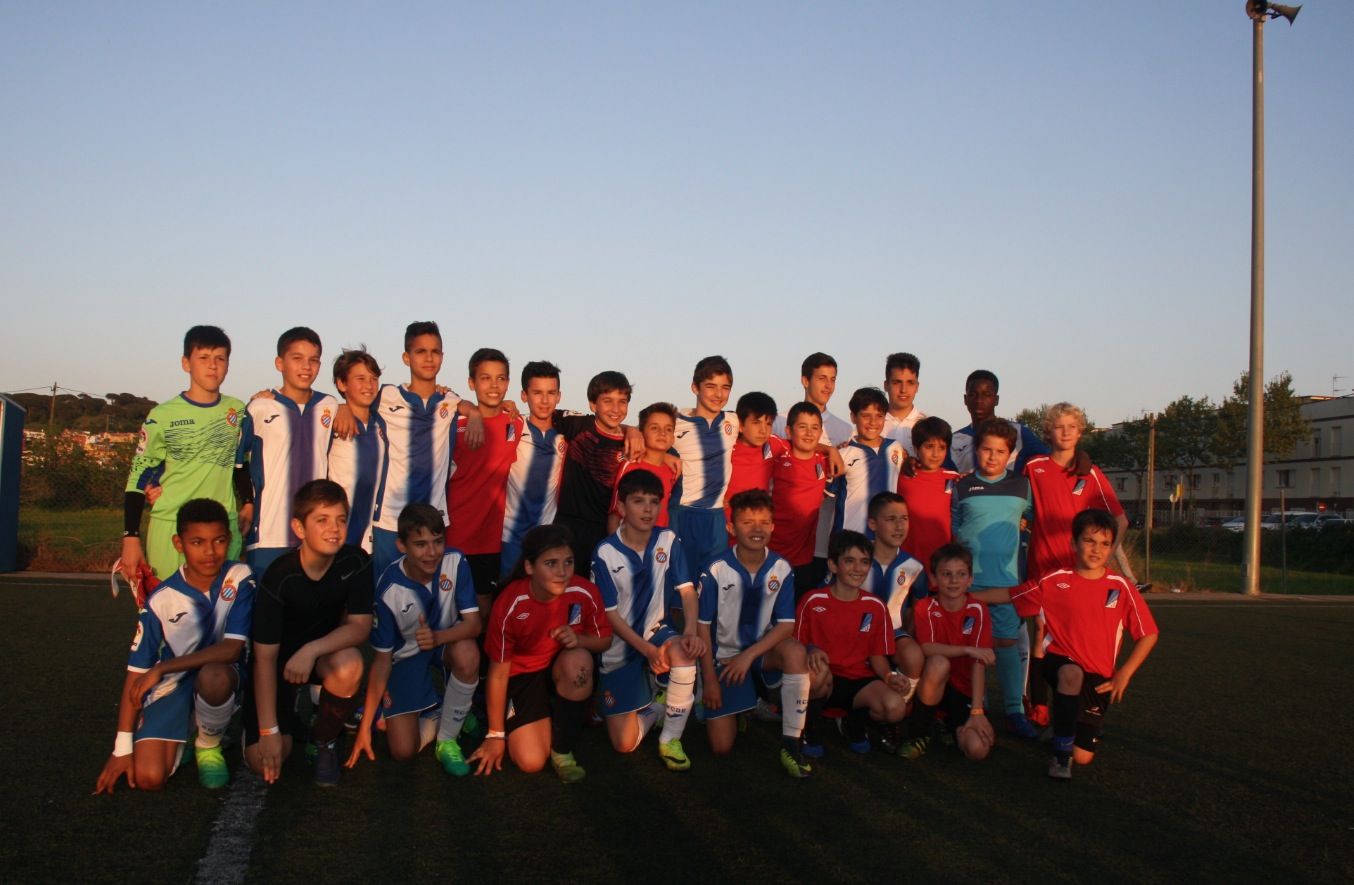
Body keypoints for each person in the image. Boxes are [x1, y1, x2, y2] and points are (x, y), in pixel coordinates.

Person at [95, 499, 254, 793]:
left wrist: (164, 667)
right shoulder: (161, 599)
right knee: (148, 778)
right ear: (178, 544)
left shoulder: (240, 578)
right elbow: (137, 672)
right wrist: (121, 747)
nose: (210, 552)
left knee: (214, 676)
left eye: (219, 541)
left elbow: (231, 649)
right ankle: (190, 727)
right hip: (175, 685)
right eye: (197, 542)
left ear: (229, 540)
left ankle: (208, 744)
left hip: (223, 676)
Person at [1003, 510, 1159, 780]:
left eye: (1104, 544)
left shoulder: (1120, 587)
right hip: (1060, 663)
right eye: (1089, 541)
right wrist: (968, 593)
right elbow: (1010, 595)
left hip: (1099, 676)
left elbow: (1149, 634)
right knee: (1070, 674)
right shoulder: (1055, 579)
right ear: (1074, 544)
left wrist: (1124, 673)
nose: (1097, 549)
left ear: (1111, 548)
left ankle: (1068, 726)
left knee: (1084, 757)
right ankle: (1060, 758)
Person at [244, 479, 373, 787]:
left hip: (317, 659)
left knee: (350, 663)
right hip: (277, 667)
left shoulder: (355, 561)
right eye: (322, 520)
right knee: (265, 761)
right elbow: (264, 659)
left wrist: (311, 650)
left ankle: (324, 739)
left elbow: (360, 627)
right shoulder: (279, 577)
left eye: (341, 519)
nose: (334, 529)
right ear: (299, 528)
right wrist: (268, 733)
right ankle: (285, 722)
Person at [346, 504, 482, 775]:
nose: (432, 553)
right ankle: (444, 708)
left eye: (438, 542)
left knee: (468, 654)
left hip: (443, 643)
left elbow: (474, 625)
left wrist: (438, 637)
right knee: (402, 751)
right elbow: (382, 660)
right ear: (401, 545)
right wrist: (365, 729)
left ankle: (447, 740)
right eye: (420, 544)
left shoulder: (456, 561)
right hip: (406, 657)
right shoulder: (388, 589)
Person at [470, 524, 611, 782]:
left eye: (568, 562)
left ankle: (562, 750)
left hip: (560, 668)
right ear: (529, 567)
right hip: (522, 677)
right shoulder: (510, 604)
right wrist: (495, 734)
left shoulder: (583, 591)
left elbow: (604, 641)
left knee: (579, 661)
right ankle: (539, 711)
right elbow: (498, 675)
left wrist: (578, 639)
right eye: (551, 563)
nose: (562, 572)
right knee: (531, 761)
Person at [1023, 402, 1128, 726]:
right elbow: (1017, 505)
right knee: (1041, 630)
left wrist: (1104, 555)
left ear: (1080, 432)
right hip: (1043, 565)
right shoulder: (1034, 467)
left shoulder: (1091, 473)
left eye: (1072, 426)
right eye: (1059, 426)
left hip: (1079, 572)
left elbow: (1120, 520)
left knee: (1071, 634)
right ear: (1048, 432)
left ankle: (1070, 699)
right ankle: (1039, 703)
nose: (1066, 432)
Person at [696, 490, 814, 777]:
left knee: (797, 652)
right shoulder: (715, 569)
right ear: (731, 527)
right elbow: (702, 628)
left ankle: (792, 744)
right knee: (721, 747)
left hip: (759, 654)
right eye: (748, 522)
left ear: (773, 526)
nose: (757, 529)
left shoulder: (782, 568)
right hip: (724, 660)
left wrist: (748, 657)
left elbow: (786, 624)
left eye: (764, 522)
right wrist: (710, 679)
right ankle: (739, 706)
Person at [592, 470, 705, 770]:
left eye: (654, 502)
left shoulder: (667, 539)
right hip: (619, 646)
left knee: (683, 650)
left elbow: (687, 591)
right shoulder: (604, 552)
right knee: (624, 744)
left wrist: (690, 630)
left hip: (657, 632)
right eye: (638, 501)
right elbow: (611, 616)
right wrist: (647, 651)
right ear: (621, 507)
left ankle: (670, 739)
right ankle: (656, 704)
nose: (647, 509)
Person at [354, 321, 484, 578]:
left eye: (435, 352)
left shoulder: (449, 400)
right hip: (391, 520)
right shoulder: (386, 396)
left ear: (443, 357)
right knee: (386, 597)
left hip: (433, 522)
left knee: (428, 600)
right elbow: (356, 401)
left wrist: (476, 413)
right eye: (420, 351)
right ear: (406, 357)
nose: (428, 358)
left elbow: (466, 404)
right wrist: (343, 408)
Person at [121, 325, 250, 580]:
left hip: (222, 528)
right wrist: (131, 538)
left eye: (220, 358)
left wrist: (248, 503)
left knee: (219, 615)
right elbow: (138, 476)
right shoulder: (162, 415)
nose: (213, 366)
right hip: (171, 526)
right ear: (186, 363)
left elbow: (240, 464)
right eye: (203, 357)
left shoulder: (238, 411)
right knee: (170, 614)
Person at [951, 418, 1038, 739]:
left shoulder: (1022, 486)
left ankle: (1015, 710)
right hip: (968, 585)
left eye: (1000, 451)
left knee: (1006, 645)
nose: (992, 457)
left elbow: (1030, 521)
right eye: (986, 449)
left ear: (1010, 453)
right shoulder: (962, 486)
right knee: (970, 646)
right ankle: (975, 706)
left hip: (1007, 585)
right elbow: (954, 529)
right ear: (976, 450)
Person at [797, 530, 909, 757]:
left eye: (864, 562)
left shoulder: (875, 606)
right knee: (816, 675)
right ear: (833, 565)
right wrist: (811, 649)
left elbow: (877, 654)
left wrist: (889, 677)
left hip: (859, 681)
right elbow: (795, 644)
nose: (858, 569)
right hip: (823, 679)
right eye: (849, 561)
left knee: (896, 708)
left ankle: (853, 721)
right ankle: (810, 728)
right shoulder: (812, 600)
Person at [239, 327, 338, 573]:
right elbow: (235, 462)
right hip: (270, 532)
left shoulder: (330, 406)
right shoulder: (260, 407)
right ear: (279, 363)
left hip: (315, 534)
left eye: (313, 360)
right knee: (268, 607)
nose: (306, 366)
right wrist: (248, 503)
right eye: (297, 358)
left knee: (312, 608)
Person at [899, 543, 996, 762]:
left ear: (970, 579)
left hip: (964, 688)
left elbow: (979, 663)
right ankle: (918, 733)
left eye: (961, 574)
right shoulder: (925, 607)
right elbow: (927, 647)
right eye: (946, 574)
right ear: (933, 579)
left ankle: (950, 725)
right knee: (939, 662)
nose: (953, 581)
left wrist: (977, 712)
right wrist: (967, 649)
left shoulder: (978, 609)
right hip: (930, 682)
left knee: (978, 750)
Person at [447, 347, 524, 610]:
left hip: (489, 540)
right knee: (448, 607)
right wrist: (471, 412)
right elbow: (437, 393)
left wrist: (630, 430)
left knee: (482, 612)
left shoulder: (515, 423)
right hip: (453, 534)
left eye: (500, 378)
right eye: (485, 378)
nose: (494, 385)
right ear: (471, 383)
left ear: (508, 384)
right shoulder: (454, 424)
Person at [772, 353, 854, 590]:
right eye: (822, 378)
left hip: (820, 536)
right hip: (779, 534)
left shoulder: (844, 429)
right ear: (805, 381)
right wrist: (827, 448)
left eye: (833, 379)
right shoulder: (780, 421)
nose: (828, 385)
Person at [553, 370, 643, 574]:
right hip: (567, 526)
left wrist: (634, 431)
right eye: (607, 401)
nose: (616, 409)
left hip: (606, 529)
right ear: (593, 405)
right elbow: (542, 412)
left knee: (599, 592)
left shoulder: (632, 444)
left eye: (622, 401)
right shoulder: (577, 426)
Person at [670, 355, 740, 579]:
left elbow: (776, 427)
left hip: (716, 517)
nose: (718, 394)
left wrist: (831, 449)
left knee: (713, 585)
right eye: (710, 386)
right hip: (683, 513)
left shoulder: (734, 421)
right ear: (694, 387)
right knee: (679, 584)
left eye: (725, 387)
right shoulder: (673, 423)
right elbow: (644, 439)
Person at [501, 360, 567, 572]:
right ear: (524, 395)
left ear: (559, 395)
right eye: (537, 392)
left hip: (546, 540)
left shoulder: (569, 431)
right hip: (509, 536)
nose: (545, 400)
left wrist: (633, 431)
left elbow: (604, 424)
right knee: (507, 598)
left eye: (551, 393)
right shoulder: (512, 426)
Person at [862, 492, 927, 701]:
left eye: (904, 519)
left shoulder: (914, 567)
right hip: (855, 632)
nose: (899, 526)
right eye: (891, 519)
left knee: (913, 655)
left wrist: (906, 635)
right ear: (872, 523)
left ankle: (901, 705)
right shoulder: (856, 559)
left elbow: (916, 610)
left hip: (892, 633)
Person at [769, 402, 832, 596]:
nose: (809, 433)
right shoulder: (777, 454)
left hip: (804, 559)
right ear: (789, 431)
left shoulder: (825, 463)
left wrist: (832, 451)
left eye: (814, 428)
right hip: (771, 552)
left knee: (797, 616)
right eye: (802, 427)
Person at [326, 347, 385, 551]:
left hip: (373, 537)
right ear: (342, 384)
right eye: (360, 378)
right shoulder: (331, 423)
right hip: (337, 534)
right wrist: (339, 407)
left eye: (373, 378)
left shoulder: (383, 424)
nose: (369, 385)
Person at [831, 387, 906, 538]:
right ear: (853, 416)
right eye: (866, 416)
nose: (873, 422)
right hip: (850, 541)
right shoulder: (843, 454)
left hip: (885, 541)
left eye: (879, 416)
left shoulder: (895, 448)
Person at [945, 370, 1050, 475]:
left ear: (996, 399)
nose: (979, 400)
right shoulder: (954, 439)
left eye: (986, 395)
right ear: (965, 399)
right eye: (973, 394)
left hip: (1008, 490)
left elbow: (1050, 460)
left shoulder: (1019, 432)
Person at [895, 416, 962, 582]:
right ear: (916, 447)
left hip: (941, 564)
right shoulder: (902, 476)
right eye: (929, 446)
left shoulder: (955, 479)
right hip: (906, 561)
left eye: (942, 447)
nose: (935, 453)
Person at [606, 401, 680, 533]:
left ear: (673, 438)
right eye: (654, 428)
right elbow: (615, 514)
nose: (662, 433)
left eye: (668, 429)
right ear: (641, 434)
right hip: (631, 543)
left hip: (658, 546)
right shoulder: (630, 465)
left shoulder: (672, 470)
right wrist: (617, 550)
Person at [725, 391, 786, 507]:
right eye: (756, 423)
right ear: (741, 425)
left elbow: (798, 446)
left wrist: (829, 449)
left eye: (768, 424)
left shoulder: (772, 445)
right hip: (727, 521)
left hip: (758, 522)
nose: (763, 430)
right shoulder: (726, 448)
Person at [881, 352, 928, 457]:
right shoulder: (871, 426)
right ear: (886, 385)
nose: (903, 390)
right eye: (897, 382)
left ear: (917, 386)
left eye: (910, 383)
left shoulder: (928, 427)